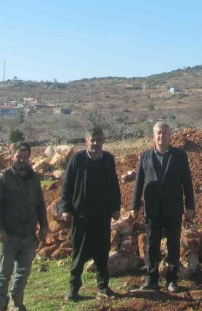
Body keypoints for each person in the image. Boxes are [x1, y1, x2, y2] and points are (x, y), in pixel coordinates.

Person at [131, 121, 195, 293]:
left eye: (164, 133)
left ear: (170, 135)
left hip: (173, 208)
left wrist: (190, 205)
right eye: (158, 133)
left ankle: (172, 280)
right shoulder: (145, 156)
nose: (161, 136)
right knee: (152, 244)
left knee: (174, 244)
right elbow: (138, 183)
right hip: (152, 209)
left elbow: (187, 183)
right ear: (154, 135)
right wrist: (134, 205)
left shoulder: (180, 156)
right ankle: (151, 279)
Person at [59, 127, 121, 301]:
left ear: (103, 141)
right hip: (81, 216)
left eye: (99, 139)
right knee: (79, 253)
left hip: (102, 215)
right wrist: (65, 208)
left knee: (102, 252)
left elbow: (114, 184)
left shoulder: (108, 159)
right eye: (92, 140)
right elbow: (67, 186)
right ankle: (73, 289)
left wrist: (116, 207)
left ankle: (103, 287)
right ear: (86, 141)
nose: (95, 143)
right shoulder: (77, 159)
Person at [0, 142, 48, 311]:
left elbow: (40, 203)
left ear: (29, 158)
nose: (21, 160)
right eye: (18, 157)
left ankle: (17, 304)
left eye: (25, 157)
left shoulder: (34, 178)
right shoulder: (3, 179)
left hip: (28, 235)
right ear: (12, 157)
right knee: (3, 274)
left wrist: (43, 226)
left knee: (22, 273)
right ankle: (0, 306)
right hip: (8, 236)